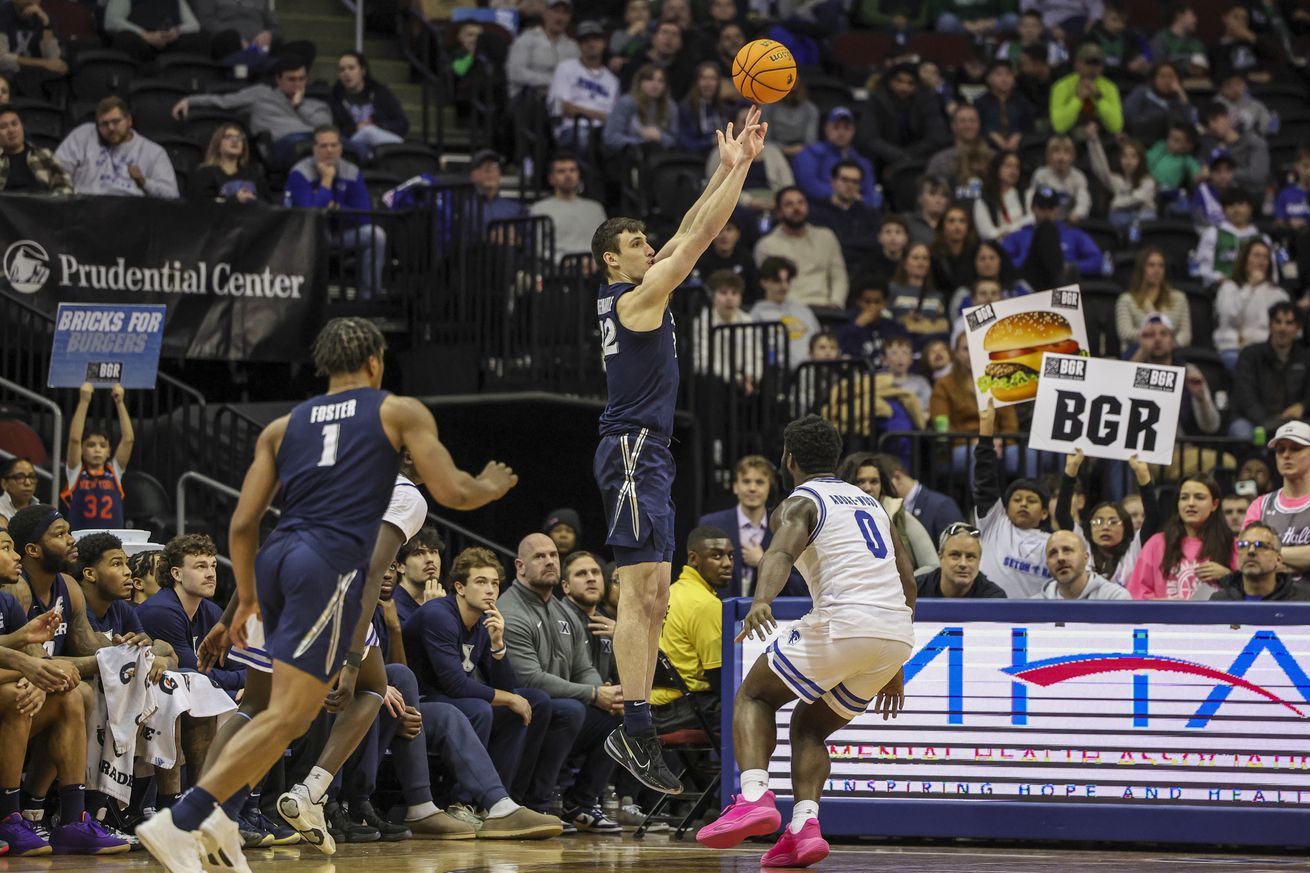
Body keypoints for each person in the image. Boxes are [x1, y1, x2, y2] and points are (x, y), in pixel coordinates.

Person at [135, 317, 518, 872]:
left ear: (323, 365)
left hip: (276, 557)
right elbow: (454, 491)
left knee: (267, 707)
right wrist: (490, 483)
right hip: (328, 565)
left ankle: (216, 818)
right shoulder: (397, 411)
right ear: (376, 362)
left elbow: (242, 526)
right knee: (291, 713)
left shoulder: (283, 426)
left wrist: (244, 600)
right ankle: (185, 818)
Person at [590, 109, 765, 796]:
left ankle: (635, 722)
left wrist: (724, 168)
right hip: (632, 449)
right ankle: (634, 724)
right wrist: (742, 167)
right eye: (637, 243)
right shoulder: (634, 300)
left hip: (649, 452)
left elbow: (689, 228)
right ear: (614, 260)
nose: (649, 247)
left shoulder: (642, 289)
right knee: (640, 594)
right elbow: (696, 240)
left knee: (657, 597)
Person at [695, 415, 914, 866]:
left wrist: (761, 600)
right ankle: (804, 827)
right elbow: (907, 580)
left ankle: (754, 795)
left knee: (754, 696)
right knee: (811, 727)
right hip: (895, 635)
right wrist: (895, 663)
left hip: (843, 622)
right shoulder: (872, 503)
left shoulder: (800, 501)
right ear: (837, 460)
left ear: (787, 459)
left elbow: (779, 552)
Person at [399, 548, 568, 839]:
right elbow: (455, 685)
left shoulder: (481, 622)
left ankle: (502, 804)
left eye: (494, 583)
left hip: (452, 702)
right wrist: (510, 698)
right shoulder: (439, 615)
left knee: (534, 702)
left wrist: (498, 646)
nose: (490, 590)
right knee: (482, 707)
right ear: (460, 587)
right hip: (419, 702)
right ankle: (462, 803)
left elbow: (508, 688)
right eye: (480, 582)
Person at [497, 534, 622, 831]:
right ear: (520, 566)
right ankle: (536, 803)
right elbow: (530, 678)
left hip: (559, 711)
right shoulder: (511, 610)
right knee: (570, 710)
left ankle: (581, 802)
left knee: (621, 713)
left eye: (553, 555)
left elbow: (584, 667)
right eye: (539, 556)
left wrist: (605, 694)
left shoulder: (565, 612)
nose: (550, 561)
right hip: (521, 712)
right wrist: (593, 693)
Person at [284, 126, 388, 298]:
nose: (329, 151)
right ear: (314, 149)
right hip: (307, 235)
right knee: (312, 232)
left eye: (333, 145)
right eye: (324, 146)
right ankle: (307, 298)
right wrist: (326, 181)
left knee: (376, 235)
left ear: (340, 148)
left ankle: (370, 297)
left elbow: (364, 216)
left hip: (340, 232)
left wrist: (337, 209)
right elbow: (308, 214)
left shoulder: (352, 172)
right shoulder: (300, 173)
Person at [173, 61, 332, 168]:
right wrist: (191, 101)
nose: (297, 84)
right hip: (282, 145)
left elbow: (326, 130)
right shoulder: (260, 93)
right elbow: (225, 101)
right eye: (291, 79)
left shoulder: (317, 105)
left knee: (342, 146)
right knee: (305, 145)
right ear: (278, 79)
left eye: (301, 79)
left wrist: (299, 106)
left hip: (315, 140)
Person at [651, 526, 730, 728]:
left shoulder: (670, 593)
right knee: (758, 707)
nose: (727, 564)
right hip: (688, 708)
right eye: (717, 556)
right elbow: (719, 678)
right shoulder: (705, 604)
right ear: (694, 559)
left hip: (654, 704)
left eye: (730, 556)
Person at [973, 399, 1051, 598]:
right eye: (1017, 500)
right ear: (1005, 508)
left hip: (1035, 621)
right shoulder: (995, 523)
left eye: (1031, 501)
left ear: (1044, 512)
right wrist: (986, 432)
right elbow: (985, 481)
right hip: (988, 615)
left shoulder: (1053, 543)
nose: (1023, 503)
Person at [697, 455, 796, 598]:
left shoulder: (785, 529)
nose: (752, 488)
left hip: (771, 615)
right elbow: (698, 577)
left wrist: (764, 563)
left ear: (770, 487)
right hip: (719, 614)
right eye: (746, 481)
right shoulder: (710, 525)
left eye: (760, 482)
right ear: (735, 486)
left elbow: (799, 586)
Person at [1059, 450, 1159, 588]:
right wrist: (1071, 471)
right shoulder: (1083, 545)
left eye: (1113, 522)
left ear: (1125, 527)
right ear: (1089, 527)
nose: (1105, 527)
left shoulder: (1133, 550)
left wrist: (1143, 476)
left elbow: (1153, 517)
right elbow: (1062, 514)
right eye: (1098, 522)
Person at [1129, 474, 1236, 600]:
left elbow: (1251, 591)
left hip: (1216, 619)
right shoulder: (1156, 543)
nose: (1190, 503)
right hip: (1165, 619)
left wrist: (1228, 576)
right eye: (1184, 497)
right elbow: (1136, 595)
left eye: (1199, 497)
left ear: (1214, 504)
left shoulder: (1230, 544)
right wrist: (1169, 605)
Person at [55, 96, 178, 198]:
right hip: (85, 210)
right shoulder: (83, 135)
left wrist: (144, 182)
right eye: (104, 124)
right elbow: (56, 171)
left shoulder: (153, 152)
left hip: (129, 215)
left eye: (116, 121)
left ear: (129, 120)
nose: (111, 128)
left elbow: (172, 195)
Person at [837, 452, 938, 574]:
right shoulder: (835, 517)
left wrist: (900, 584)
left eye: (874, 482)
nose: (868, 488)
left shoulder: (897, 514)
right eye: (860, 481)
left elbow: (933, 565)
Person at [752, 187, 847, 309]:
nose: (796, 208)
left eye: (800, 203)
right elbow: (768, 286)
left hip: (825, 307)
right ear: (779, 212)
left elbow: (839, 276)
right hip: (786, 309)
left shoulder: (826, 237)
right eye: (789, 204)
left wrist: (836, 303)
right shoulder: (766, 246)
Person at [1242, 421, 1310, 584]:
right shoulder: (1260, 505)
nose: (1286, 455)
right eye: (1281, 450)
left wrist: (1269, 555)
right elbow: (1247, 553)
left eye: (1296, 448)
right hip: (1270, 603)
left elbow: (1260, 557)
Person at [1229, 303, 1309, 440]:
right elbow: (1245, 397)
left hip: (1294, 423)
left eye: (1289, 323)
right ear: (1270, 325)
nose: (1282, 328)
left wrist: (1302, 406)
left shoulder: (1306, 358)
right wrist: (1269, 423)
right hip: (1254, 421)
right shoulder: (1250, 355)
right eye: (1278, 322)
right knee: (1241, 432)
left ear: (1298, 328)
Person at [62, 383, 133, 532]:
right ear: (82, 449)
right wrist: (84, 401)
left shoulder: (114, 470)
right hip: (80, 540)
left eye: (102, 445)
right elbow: (74, 439)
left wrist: (120, 402)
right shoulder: (76, 471)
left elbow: (128, 439)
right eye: (91, 445)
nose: (97, 450)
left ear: (109, 451)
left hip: (111, 540)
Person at [857, 61, 950, 165]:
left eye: (910, 83)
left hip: (919, 160)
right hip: (881, 162)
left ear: (916, 86)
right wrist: (898, 156)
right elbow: (869, 137)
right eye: (899, 81)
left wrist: (907, 156)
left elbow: (936, 136)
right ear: (890, 82)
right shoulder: (876, 100)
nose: (904, 87)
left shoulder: (926, 101)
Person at [1002, 185, 1103, 279]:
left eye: (1050, 208)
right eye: (1042, 207)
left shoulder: (1074, 234)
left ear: (1057, 209)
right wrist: (1029, 265)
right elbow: (999, 261)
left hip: (1062, 285)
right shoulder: (1020, 235)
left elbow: (1098, 260)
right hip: (1030, 289)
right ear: (1033, 208)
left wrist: (1068, 267)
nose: (1046, 213)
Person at [548, 20, 618, 150]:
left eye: (596, 39)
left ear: (604, 43)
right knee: (587, 138)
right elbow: (560, 107)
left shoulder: (612, 80)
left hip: (603, 132)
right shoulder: (565, 68)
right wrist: (598, 115)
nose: (591, 44)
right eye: (586, 40)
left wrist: (581, 110)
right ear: (579, 45)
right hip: (571, 129)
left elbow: (613, 117)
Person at [793, 107, 879, 209]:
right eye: (836, 127)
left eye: (846, 128)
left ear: (853, 131)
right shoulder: (810, 153)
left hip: (856, 213)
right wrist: (847, 195)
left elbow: (874, 197)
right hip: (820, 211)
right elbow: (809, 187)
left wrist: (856, 199)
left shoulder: (863, 163)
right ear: (826, 129)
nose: (841, 133)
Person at [807, 160, 880, 279]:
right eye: (844, 180)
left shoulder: (870, 214)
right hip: (824, 272)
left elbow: (874, 245)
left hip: (863, 273)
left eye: (855, 182)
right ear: (833, 181)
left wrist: (840, 244)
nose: (850, 185)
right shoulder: (816, 213)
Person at [529, 154, 608, 264]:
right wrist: (563, 261)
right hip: (558, 271)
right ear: (551, 179)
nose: (568, 175)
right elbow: (538, 248)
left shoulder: (595, 208)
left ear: (578, 175)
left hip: (595, 270)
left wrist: (596, 261)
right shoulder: (539, 209)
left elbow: (606, 244)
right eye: (561, 171)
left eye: (572, 170)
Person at [330, 52, 408, 159]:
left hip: (380, 139)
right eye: (342, 70)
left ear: (363, 71)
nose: (346, 73)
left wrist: (377, 125)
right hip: (351, 144)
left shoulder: (380, 93)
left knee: (369, 131)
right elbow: (333, 131)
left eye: (351, 68)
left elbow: (402, 124)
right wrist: (356, 128)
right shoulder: (335, 99)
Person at [751, 255, 821, 369]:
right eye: (777, 281)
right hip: (780, 376)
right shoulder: (757, 314)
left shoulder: (804, 311)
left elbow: (818, 341)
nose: (784, 286)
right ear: (764, 282)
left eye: (787, 280)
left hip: (812, 371)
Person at [1115, 248, 1192, 351]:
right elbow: (1125, 333)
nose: (1157, 270)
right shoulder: (1126, 300)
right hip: (1137, 355)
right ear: (1141, 269)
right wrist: (1154, 339)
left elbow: (1186, 335)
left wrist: (1167, 344)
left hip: (1171, 355)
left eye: (1161, 266)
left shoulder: (1179, 298)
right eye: (1151, 265)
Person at [1211, 521, 1310, 600]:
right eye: (1243, 545)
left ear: (1278, 559)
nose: (1251, 551)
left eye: (1261, 546)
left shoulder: (1302, 601)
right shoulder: (1220, 601)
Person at [1196, 189, 1270, 288]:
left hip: (1256, 288)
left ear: (1250, 208)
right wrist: (1218, 278)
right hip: (1220, 288)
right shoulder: (1213, 233)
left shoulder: (1263, 238)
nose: (1236, 210)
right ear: (1223, 210)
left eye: (1241, 204)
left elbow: (1271, 272)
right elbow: (1202, 267)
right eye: (1230, 205)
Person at [602, 64, 679, 154]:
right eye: (649, 80)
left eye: (660, 81)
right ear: (639, 83)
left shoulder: (670, 106)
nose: (655, 85)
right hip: (626, 156)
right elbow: (611, 137)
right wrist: (642, 143)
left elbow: (674, 140)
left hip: (658, 158)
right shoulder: (626, 102)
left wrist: (660, 137)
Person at [507, 0, 578, 99]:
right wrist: (551, 81)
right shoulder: (527, 38)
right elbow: (515, 73)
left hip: (562, 100)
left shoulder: (573, 47)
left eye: (565, 13)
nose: (560, 17)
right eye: (556, 11)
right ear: (545, 13)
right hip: (528, 100)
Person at [1049, 42, 1123, 135]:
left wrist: (1098, 97)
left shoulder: (1110, 87)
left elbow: (1116, 126)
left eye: (1097, 63)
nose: (1092, 68)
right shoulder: (1061, 86)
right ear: (1077, 64)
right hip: (1070, 137)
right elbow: (1059, 126)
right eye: (1088, 63)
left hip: (1101, 134)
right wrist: (1078, 98)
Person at [917, 523, 1007, 598]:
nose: (963, 564)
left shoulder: (994, 599)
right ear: (940, 557)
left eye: (970, 556)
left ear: (979, 560)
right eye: (955, 555)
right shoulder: (915, 589)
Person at [1087, 133, 1155, 231]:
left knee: (1140, 221)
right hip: (1122, 218)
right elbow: (1100, 170)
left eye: (1133, 157)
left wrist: (1116, 203)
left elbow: (1139, 198)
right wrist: (1093, 141)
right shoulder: (1118, 180)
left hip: (1143, 217)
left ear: (1140, 160)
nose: (1128, 161)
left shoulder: (1148, 181)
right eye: (1125, 156)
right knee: (1116, 217)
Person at [1199, 101, 1269, 195]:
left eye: (1215, 120)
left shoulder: (1254, 142)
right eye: (1207, 124)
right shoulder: (1207, 145)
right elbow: (1202, 171)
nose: (1212, 126)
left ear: (1227, 117)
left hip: (1251, 195)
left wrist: (1223, 174)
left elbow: (1258, 175)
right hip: (1219, 196)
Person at [1039, 530, 1133, 600]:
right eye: (1053, 553)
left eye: (1067, 550)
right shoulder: (1035, 606)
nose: (1060, 558)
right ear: (1047, 564)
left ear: (1085, 557)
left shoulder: (1115, 598)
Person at [104, 0, 207, 62]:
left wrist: (177, 31)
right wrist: (144, 34)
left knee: (200, 39)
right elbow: (112, 20)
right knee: (125, 39)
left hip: (169, 42)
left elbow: (194, 25)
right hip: (140, 41)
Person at [187, 123, 266, 203]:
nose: (235, 141)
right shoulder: (205, 173)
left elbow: (268, 205)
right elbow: (201, 205)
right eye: (228, 137)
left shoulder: (254, 174)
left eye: (239, 138)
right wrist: (234, 200)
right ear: (218, 145)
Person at [1123, 61, 1194, 149]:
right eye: (1162, 77)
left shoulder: (1178, 100)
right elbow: (1131, 118)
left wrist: (1182, 95)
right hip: (1141, 144)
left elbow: (1189, 124)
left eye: (1171, 77)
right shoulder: (1141, 93)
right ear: (1153, 79)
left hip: (1171, 149)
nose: (1167, 81)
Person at [0, 106, 70, 195]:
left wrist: (53, 202)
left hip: (40, 205)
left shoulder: (43, 155)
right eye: (3, 127)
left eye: (15, 124)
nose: (11, 130)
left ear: (22, 126)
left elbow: (64, 184)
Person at [836, 283, 907, 369]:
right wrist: (857, 325)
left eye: (877, 302)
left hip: (890, 376)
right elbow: (840, 350)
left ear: (884, 303)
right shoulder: (847, 327)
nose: (872, 306)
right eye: (867, 302)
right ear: (859, 302)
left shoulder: (896, 327)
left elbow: (908, 351)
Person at [974, 60, 1035, 156]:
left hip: (1018, 147)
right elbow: (977, 128)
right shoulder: (980, 103)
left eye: (1008, 74)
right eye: (999, 74)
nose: (1004, 78)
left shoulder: (1022, 102)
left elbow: (1029, 127)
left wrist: (1018, 136)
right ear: (989, 78)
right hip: (989, 146)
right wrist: (992, 136)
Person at [1027, 135, 1091, 223]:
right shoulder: (1040, 175)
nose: (1061, 157)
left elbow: (1084, 202)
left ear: (1073, 156)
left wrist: (1076, 214)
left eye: (1066, 152)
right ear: (1048, 156)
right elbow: (1031, 201)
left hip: (1070, 223)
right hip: (1044, 221)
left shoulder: (1078, 176)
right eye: (1056, 151)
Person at [974, 151, 1031, 241]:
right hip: (998, 246)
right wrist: (1000, 235)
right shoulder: (984, 199)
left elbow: (1032, 218)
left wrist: (1008, 230)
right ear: (997, 169)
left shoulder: (1027, 194)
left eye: (1017, 167)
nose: (1013, 171)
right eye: (1008, 166)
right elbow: (985, 232)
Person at [392, 527, 444, 625]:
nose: (430, 559)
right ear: (400, 566)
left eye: (433, 552)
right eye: (419, 553)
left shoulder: (446, 599)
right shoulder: (390, 606)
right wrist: (431, 611)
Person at [1149, 2, 1206, 71]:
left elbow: (1201, 69)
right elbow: (1158, 68)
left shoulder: (1196, 43)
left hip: (1194, 81)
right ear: (1179, 15)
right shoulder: (1161, 39)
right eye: (1192, 15)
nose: (1195, 20)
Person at [906, 175, 949, 247]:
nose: (938, 200)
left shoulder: (952, 223)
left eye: (943, 195)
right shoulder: (908, 222)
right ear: (919, 198)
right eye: (932, 194)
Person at [0, 458, 38, 525]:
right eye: (20, 477)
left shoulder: (42, 511)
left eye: (32, 477)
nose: (28, 483)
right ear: (4, 484)